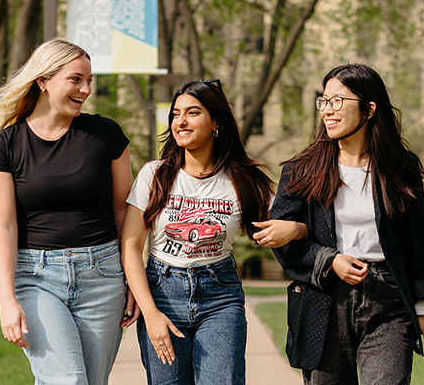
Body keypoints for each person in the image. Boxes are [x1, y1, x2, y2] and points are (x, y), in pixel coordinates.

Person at [0, 38, 137, 385]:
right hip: (36, 278)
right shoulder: (4, 147)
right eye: (76, 79)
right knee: (68, 380)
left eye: (89, 80)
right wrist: (6, 300)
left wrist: (134, 281)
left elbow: (125, 214)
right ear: (43, 80)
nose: (86, 89)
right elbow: (3, 228)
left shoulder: (105, 134)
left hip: (103, 276)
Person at [120, 79, 298, 385]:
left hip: (220, 297)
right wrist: (150, 313)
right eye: (176, 114)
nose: (181, 121)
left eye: (192, 113)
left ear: (216, 123)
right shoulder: (155, 174)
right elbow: (132, 246)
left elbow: (282, 223)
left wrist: (296, 227)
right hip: (163, 292)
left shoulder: (244, 180)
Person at [269, 64, 424, 385]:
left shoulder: (402, 168)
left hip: (388, 301)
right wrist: (329, 259)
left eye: (338, 102)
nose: (327, 111)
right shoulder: (301, 170)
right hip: (325, 300)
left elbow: (417, 242)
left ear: (369, 109)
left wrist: (421, 309)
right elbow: (284, 239)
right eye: (324, 102)